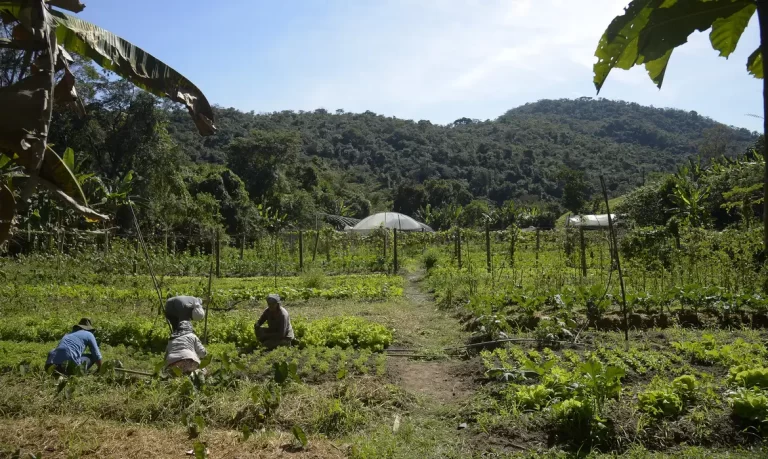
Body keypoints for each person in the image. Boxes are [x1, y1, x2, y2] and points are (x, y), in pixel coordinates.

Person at [164, 296, 207, 374]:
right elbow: (202, 353)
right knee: (202, 371)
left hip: (172, 364)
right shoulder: (192, 336)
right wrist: (204, 355)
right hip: (188, 361)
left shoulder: (171, 339)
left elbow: (165, 356)